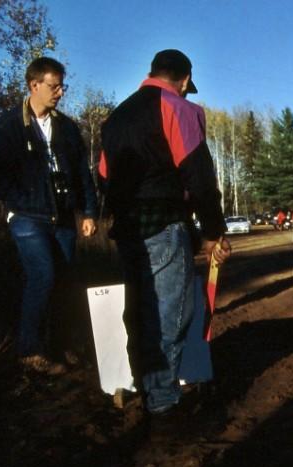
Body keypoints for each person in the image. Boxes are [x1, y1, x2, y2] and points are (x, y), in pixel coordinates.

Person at [99, 49, 231, 417]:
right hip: (163, 223)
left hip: (127, 229)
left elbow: (104, 176)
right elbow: (199, 176)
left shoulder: (116, 118)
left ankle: (147, 389)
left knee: (140, 313)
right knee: (170, 315)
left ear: (151, 73)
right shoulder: (178, 108)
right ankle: (163, 405)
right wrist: (213, 230)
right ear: (185, 80)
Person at [0, 56, 98, 376]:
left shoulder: (67, 128)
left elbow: (82, 174)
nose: (60, 92)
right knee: (42, 274)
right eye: (54, 85)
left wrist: (88, 211)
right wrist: (22, 199)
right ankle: (29, 350)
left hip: (62, 217)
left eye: (62, 86)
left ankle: (59, 345)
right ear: (34, 85)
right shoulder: (8, 125)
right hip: (27, 218)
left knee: (64, 280)